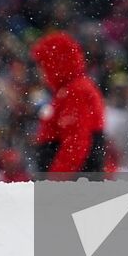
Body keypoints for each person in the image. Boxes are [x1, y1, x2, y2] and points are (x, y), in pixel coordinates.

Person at [31, 31, 109, 176]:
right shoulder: (70, 90)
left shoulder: (76, 91)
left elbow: (75, 144)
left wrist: (56, 180)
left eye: (44, 66)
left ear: (55, 64)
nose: (41, 73)